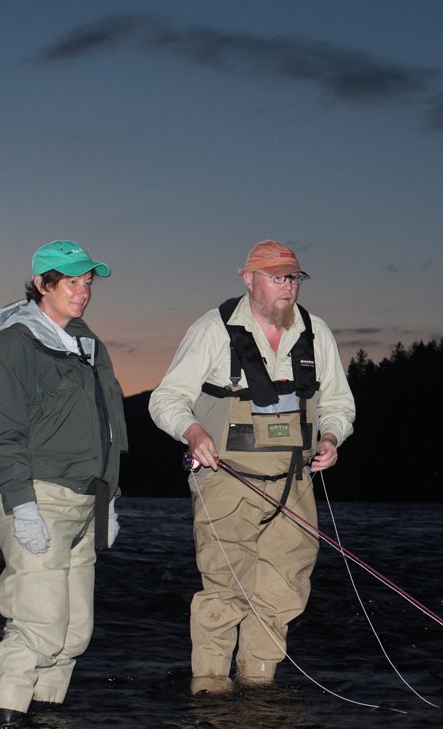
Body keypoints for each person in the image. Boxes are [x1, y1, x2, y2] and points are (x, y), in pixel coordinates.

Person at [149, 240, 355, 694]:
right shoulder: (213, 329)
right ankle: (210, 693)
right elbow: (165, 399)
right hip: (226, 477)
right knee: (226, 590)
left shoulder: (316, 331)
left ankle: (259, 691)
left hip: (295, 484)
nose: (288, 287)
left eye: (294, 278)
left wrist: (331, 436)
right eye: (277, 277)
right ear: (248, 280)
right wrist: (193, 433)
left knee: (284, 590)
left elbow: (338, 402)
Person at [0, 240, 128, 729]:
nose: (83, 291)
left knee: (74, 633)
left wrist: (109, 499)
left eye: (88, 282)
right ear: (43, 284)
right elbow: (2, 436)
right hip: (38, 498)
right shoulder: (13, 349)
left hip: (87, 502)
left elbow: (109, 428)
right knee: (38, 626)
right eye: (71, 282)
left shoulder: (90, 346)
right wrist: (21, 505)